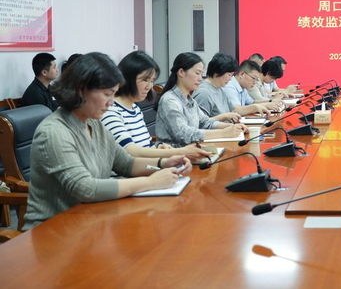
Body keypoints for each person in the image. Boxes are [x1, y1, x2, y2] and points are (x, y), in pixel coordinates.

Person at [23, 52, 191, 230]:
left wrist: (164, 162)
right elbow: (86, 188)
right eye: (107, 94)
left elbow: (126, 163)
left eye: (114, 94)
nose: (111, 102)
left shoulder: (94, 124)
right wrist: (151, 182)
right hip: (53, 231)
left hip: (91, 222)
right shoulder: (54, 131)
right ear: (81, 90)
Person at [102, 51, 212, 162]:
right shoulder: (111, 111)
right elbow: (130, 152)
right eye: (145, 80)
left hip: (148, 166)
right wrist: (179, 152)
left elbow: (147, 146)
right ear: (127, 78)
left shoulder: (135, 109)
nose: (149, 86)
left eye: (152, 81)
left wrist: (159, 147)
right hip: (135, 171)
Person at [155, 52, 244, 147]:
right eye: (197, 73)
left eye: (201, 74)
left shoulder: (190, 100)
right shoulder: (170, 100)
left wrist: (232, 127)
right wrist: (223, 133)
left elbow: (205, 122)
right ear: (181, 72)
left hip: (193, 149)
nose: (200, 79)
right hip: (175, 153)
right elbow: (184, 134)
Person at [192, 53, 260, 118]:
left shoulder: (220, 89)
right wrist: (225, 117)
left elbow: (233, 110)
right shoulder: (204, 92)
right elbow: (201, 123)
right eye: (229, 75)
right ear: (217, 72)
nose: (230, 79)